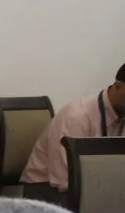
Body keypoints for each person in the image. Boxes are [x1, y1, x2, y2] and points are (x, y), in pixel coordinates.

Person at [20, 62, 125, 204]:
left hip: (89, 187)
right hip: (47, 189)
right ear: (118, 86)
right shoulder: (77, 116)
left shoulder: (120, 112)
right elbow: (63, 178)